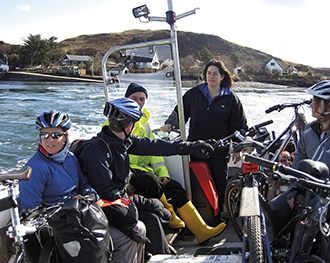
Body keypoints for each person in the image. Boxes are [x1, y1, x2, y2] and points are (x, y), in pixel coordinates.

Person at [78, 97, 215, 255]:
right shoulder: (95, 151)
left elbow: (156, 146)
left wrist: (189, 147)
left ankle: (162, 256)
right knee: (154, 212)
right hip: (105, 208)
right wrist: (146, 203)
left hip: (118, 202)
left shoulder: (122, 141)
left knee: (153, 219)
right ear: (130, 126)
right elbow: (107, 194)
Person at [102, 83, 226, 245]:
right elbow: (113, 161)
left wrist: (163, 174)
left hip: (145, 170)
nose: (139, 102)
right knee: (150, 182)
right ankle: (172, 217)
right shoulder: (115, 126)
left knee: (174, 187)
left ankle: (201, 230)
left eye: (142, 99)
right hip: (129, 175)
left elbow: (153, 150)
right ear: (126, 100)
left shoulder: (144, 122)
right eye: (134, 98)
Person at [19, 110, 146, 263]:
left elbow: (84, 184)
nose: (49, 140)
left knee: (138, 227)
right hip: (64, 225)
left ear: (66, 136)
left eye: (56, 135)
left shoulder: (70, 158)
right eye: (44, 135)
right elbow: (30, 211)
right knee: (126, 239)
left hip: (82, 213)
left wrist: (89, 194)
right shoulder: (36, 168)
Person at [160, 59, 248, 212]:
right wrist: (170, 124)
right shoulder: (194, 94)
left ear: (222, 77)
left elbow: (240, 127)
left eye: (215, 74)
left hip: (219, 151)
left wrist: (238, 148)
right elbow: (180, 113)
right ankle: (200, 216)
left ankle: (218, 215)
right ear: (205, 76)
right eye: (209, 73)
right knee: (196, 185)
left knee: (219, 185)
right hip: (195, 148)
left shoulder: (231, 99)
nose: (211, 77)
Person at [270, 80, 330, 229]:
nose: (310, 105)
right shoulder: (310, 129)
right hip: (307, 188)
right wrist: (293, 188)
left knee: (309, 216)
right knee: (273, 209)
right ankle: (278, 248)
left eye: (315, 101)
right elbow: (299, 158)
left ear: (329, 107)